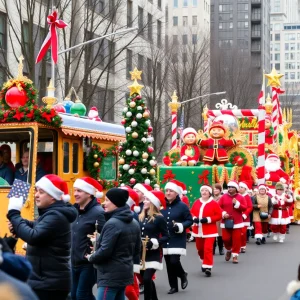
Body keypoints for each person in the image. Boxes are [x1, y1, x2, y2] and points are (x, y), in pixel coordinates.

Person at [7, 174, 78, 300]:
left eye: (41, 192)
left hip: (48, 284)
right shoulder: (52, 213)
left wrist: (14, 215)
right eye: (36, 191)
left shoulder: (55, 216)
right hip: (45, 281)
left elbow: (33, 236)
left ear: (53, 197)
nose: (36, 195)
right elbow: (35, 226)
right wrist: (19, 225)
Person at [87, 188, 141, 300]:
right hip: (125, 272)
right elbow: (137, 249)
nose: (104, 203)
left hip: (110, 275)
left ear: (115, 202)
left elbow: (105, 251)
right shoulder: (134, 222)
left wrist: (91, 257)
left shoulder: (112, 223)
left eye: (107, 200)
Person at [71, 177, 106, 300]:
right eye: (74, 190)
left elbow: (105, 236)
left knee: (81, 295)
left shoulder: (98, 212)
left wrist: (94, 253)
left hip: (88, 263)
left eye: (79, 191)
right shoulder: (74, 210)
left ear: (89, 193)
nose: (75, 194)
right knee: (73, 295)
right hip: (73, 261)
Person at [161, 180, 193, 294]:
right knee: (169, 263)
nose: (168, 193)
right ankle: (173, 286)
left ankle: (182, 274)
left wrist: (181, 226)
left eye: (171, 191)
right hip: (165, 238)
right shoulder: (161, 205)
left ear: (176, 193)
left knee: (174, 261)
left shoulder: (182, 206)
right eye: (167, 190)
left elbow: (190, 220)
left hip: (177, 237)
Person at [139, 190, 169, 300]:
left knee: (147, 279)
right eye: (145, 199)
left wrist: (155, 242)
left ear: (153, 203)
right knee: (146, 280)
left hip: (154, 253)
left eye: (147, 199)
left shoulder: (159, 218)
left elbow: (166, 236)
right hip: (141, 254)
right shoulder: (140, 217)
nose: (144, 201)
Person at [190, 185, 222, 277]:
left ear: (209, 193)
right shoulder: (197, 202)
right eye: (202, 190)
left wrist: (208, 219)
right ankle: (203, 260)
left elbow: (219, 215)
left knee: (208, 248)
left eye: (206, 191)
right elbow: (191, 212)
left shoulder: (213, 203)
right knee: (200, 249)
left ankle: (208, 267)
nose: (204, 192)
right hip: (198, 229)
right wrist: (194, 218)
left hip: (210, 230)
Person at [218, 180, 247, 264]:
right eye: (229, 187)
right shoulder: (223, 197)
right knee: (225, 238)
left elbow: (245, 208)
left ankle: (235, 255)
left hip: (237, 222)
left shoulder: (241, 197)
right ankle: (229, 250)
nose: (230, 188)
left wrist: (237, 204)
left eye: (232, 187)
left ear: (236, 188)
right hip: (225, 221)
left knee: (236, 239)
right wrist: (223, 213)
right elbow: (218, 207)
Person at [238, 181, 253, 253]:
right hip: (237, 217)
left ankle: (243, 246)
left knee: (242, 233)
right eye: (239, 187)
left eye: (242, 187)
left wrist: (245, 214)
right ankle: (237, 246)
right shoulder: (236, 196)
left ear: (245, 189)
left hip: (244, 218)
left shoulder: (247, 197)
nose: (240, 189)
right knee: (236, 233)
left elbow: (250, 207)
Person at [212, 183, 224, 255]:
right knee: (212, 234)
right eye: (214, 189)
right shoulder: (210, 198)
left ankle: (221, 248)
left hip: (220, 218)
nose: (215, 190)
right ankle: (213, 248)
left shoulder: (222, 197)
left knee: (220, 234)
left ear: (220, 190)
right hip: (212, 218)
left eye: (217, 189)